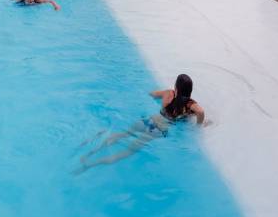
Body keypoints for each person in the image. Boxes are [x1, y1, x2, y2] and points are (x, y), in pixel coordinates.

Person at [76, 74, 205, 173]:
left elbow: (152, 94)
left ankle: (89, 153)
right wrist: (198, 126)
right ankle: (91, 165)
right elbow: (201, 111)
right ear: (190, 90)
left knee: (124, 133)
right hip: (159, 130)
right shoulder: (190, 106)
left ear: (176, 87)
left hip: (149, 120)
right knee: (128, 151)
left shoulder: (168, 93)